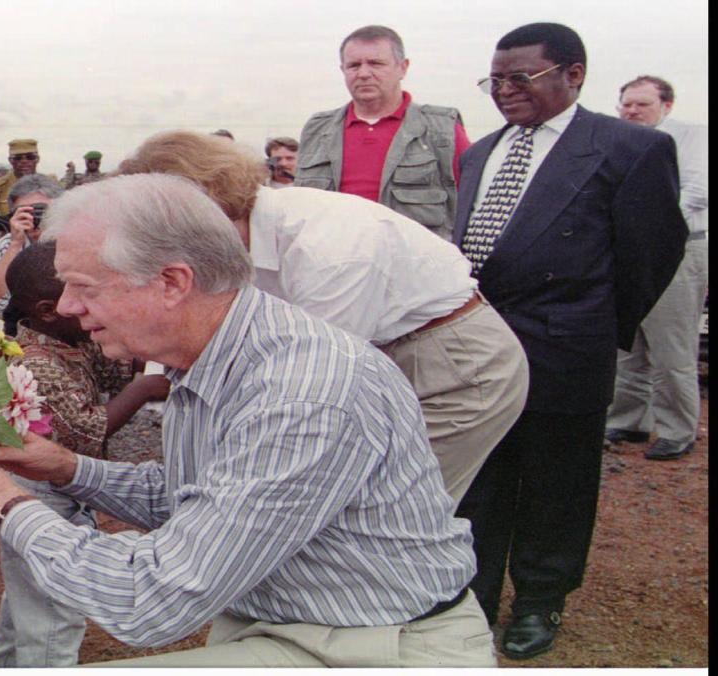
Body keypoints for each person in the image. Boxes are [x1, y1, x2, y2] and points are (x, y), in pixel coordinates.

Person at [0, 174, 494, 668]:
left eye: (82, 286)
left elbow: (154, 602)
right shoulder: (222, 355)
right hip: (304, 628)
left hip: (376, 647)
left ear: (172, 282)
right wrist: (67, 469)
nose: (64, 307)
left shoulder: (301, 394)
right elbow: (200, 499)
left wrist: (1, 503)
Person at [119, 130, 528, 505]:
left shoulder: (328, 249)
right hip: (387, 353)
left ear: (202, 207)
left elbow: (314, 387)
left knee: (388, 512)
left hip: (452, 368)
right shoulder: (242, 235)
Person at [452, 23, 688, 659]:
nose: (504, 91)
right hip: (479, 352)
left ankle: (539, 599)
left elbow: (652, 254)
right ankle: (471, 596)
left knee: (557, 484)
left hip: (566, 349)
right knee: (479, 482)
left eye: (519, 77)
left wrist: (591, 325)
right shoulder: (480, 154)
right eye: (495, 79)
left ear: (573, 74)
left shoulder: (626, 149)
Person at [0, 241, 169, 667]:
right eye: (84, 296)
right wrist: (142, 391)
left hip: (62, 487)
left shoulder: (70, 341)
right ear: (51, 310)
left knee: (25, 610)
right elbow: (84, 435)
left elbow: (116, 368)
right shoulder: (34, 362)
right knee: (53, 618)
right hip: (41, 495)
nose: (92, 307)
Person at [606, 75, 709, 461]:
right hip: (627, 253)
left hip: (678, 250)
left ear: (666, 106)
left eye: (642, 105)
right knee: (629, 342)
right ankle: (630, 419)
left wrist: (647, 224)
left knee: (672, 347)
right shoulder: (618, 140)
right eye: (627, 104)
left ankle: (677, 430)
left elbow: (698, 191)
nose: (632, 111)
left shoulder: (691, 137)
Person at [295, 25, 471, 239]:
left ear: (403, 68)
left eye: (376, 64)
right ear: (342, 70)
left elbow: (471, 202)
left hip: (413, 266)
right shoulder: (317, 129)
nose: (363, 73)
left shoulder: (442, 129)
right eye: (353, 65)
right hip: (333, 264)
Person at [0, 173, 62, 322]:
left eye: (42, 211)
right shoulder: (8, 243)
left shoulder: (75, 242)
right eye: (26, 212)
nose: (35, 218)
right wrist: (15, 245)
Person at [0, 139, 54, 236]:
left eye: (30, 157)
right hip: (8, 242)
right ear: (10, 160)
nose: (24, 161)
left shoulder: (50, 185)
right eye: (18, 158)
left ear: (37, 159)